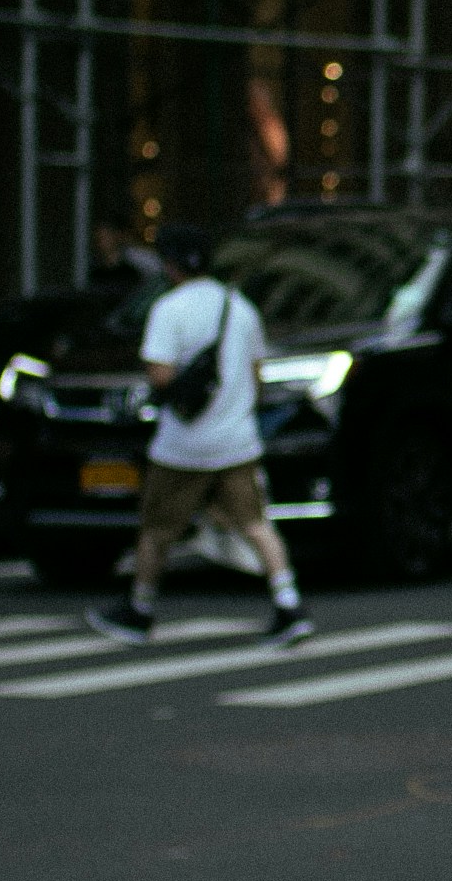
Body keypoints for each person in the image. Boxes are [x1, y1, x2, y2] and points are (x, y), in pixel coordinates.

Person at [87, 225, 314, 649]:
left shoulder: (168, 309)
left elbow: (159, 375)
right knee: (256, 524)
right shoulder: (240, 308)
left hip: (182, 446)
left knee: (157, 530)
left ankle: (139, 608)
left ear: (171, 266)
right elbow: (257, 377)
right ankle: (288, 604)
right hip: (236, 441)